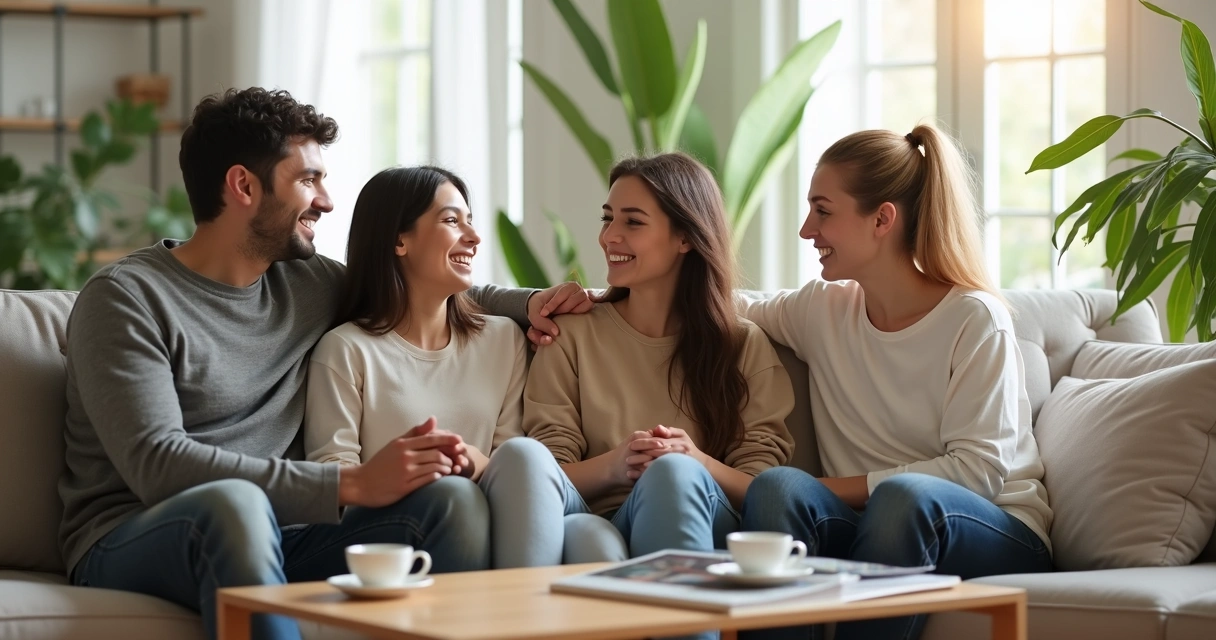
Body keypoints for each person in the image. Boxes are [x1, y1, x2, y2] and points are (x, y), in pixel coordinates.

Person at [58, 87, 589, 640]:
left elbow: (423, 284)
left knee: (449, 499)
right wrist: (348, 483)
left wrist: (530, 303)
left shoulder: (308, 284)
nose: (327, 201)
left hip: (287, 533)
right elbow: (158, 465)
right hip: (133, 536)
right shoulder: (125, 298)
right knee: (236, 507)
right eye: (308, 179)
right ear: (243, 186)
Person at [738, 124, 1054, 640]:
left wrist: (836, 489)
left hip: (994, 529)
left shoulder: (974, 319)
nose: (805, 230)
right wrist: (586, 302)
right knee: (777, 488)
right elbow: (723, 307)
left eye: (823, 210)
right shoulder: (823, 309)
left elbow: (978, 470)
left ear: (882, 218)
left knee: (903, 499)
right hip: (877, 528)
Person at [480, 152, 796, 587]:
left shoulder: (743, 346)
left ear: (685, 237)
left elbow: (763, 491)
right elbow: (547, 471)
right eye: (607, 219)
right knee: (535, 467)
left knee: (674, 472)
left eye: (633, 222)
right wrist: (619, 463)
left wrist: (695, 460)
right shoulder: (571, 333)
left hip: (708, 523)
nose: (609, 236)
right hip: (593, 517)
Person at [305, 165, 527, 485]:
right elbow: (334, 476)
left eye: (470, 221)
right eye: (452, 221)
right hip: (388, 527)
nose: (474, 237)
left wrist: (473, 463)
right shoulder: (345, 350)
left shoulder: (504, 340)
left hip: (492, 519)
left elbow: (516, 472)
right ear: (399, 241)